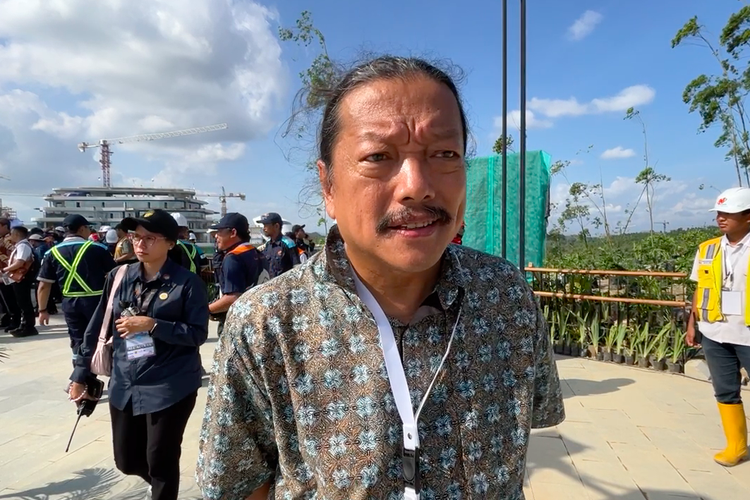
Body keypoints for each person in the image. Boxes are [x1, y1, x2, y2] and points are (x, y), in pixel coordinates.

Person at [197, 56, 564, 499]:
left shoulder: (505, 296)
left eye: (444, 154)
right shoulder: (266, 323)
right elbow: (241, 487)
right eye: (378, 157)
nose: (417, 185)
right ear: (328, 186)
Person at [69, 209, 209, 500]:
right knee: (126, 460)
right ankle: (158, 486)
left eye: (150, 238)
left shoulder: (187, 283)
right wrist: (80, 374)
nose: (140, 244)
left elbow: (197, 334)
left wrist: (153, 325)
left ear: (170, 243)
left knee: (161, 458)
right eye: (136, 237)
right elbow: (98, 326)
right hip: (125, 380)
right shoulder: (119, 276)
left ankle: (162, 490)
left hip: (170, 383)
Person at [687, 187, 750, 467]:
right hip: (715, 331)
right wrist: (693, 324)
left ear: (748, 216)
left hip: (747, 331)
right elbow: (699, 289)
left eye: (728, 213)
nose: (721, 218)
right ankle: (736, 446)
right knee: (725, 390)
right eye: (719, 213)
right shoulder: (708, 249)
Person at [37, 215, 115, 363]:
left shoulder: (52, 252)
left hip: (70, 302)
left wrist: (42, 310)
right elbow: (115, 276)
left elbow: (44, 285)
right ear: (82, 229)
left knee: (77, 339)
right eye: (88, 227)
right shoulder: (98, 249)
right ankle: (101, 367)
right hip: (96, 301)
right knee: (101, 336)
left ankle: (81, 373)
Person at [208, 213, 269, 336]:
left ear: (233, 233)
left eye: (219, 231)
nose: (216, 236)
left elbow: (233, 298)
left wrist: (205, 310)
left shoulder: (233, 257)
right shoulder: (257, 253)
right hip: (260, 320)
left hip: (240, 325)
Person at [2, 226, 38, 337]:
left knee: (24, 303)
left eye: (11, 234)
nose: (9, 236)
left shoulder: (23, 246)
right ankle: (24, 325)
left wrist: (5, 270)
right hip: (19, 278)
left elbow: (19, 262)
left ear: (16, 234)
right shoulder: (20, 246)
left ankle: (28, 327)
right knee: (22, 303)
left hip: (22, 278)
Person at [259, 212, 299, 277]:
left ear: (276, 226)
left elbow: (297, 268)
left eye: (266, 225)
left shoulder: (288, 243)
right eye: (264, 225)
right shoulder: (267, 244)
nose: (264, 228)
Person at [0, 218, 14, 331]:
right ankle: (7, 318)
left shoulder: (10, 239)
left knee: (9, 296)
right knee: (4, 297)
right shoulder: (2, 238)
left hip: (7, 272)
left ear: (5, 226)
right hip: (2, 271)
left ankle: (12, 319)